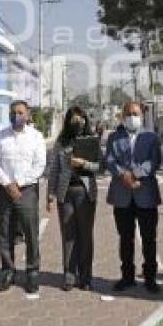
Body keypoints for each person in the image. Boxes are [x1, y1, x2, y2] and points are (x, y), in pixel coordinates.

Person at [0, 100, 46, 294]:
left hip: (27, 190)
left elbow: (39, 165)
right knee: (5, 233)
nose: (16, 116)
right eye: (13, 112)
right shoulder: (1, 136)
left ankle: (32, 272)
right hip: (5, 191)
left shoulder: (36, 137)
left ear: (28, 115)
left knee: (31, 234)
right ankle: (8, 271)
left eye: (20, 112)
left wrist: (19, 183)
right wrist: (7, 184)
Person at [106, 101, 162, 294]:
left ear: (142, 115)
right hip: (122, 196)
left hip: (145, 194)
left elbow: (154, 161)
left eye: (136, 113)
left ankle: (150, 278)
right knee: (125, 239)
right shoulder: (114, 137)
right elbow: (110, 161)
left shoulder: (151, 137)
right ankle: (127, 277)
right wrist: (124, 176)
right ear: (122, 115)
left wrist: (136, 174)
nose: (132, 117)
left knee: (149, 239)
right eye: (129, 113)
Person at [47, 106, 102, 291]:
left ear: (86, 120)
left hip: (85, 193)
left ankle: (86, 277)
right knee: (68, 235)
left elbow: (100, 167)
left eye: (81, 119)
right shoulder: (61, 142)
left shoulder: (92, 140)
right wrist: (50, 195)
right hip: (66, 193)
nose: (78, 123)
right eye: (73, 120)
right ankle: (69, 276)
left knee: (85, 236)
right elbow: (54, 169)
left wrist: (83, 163)